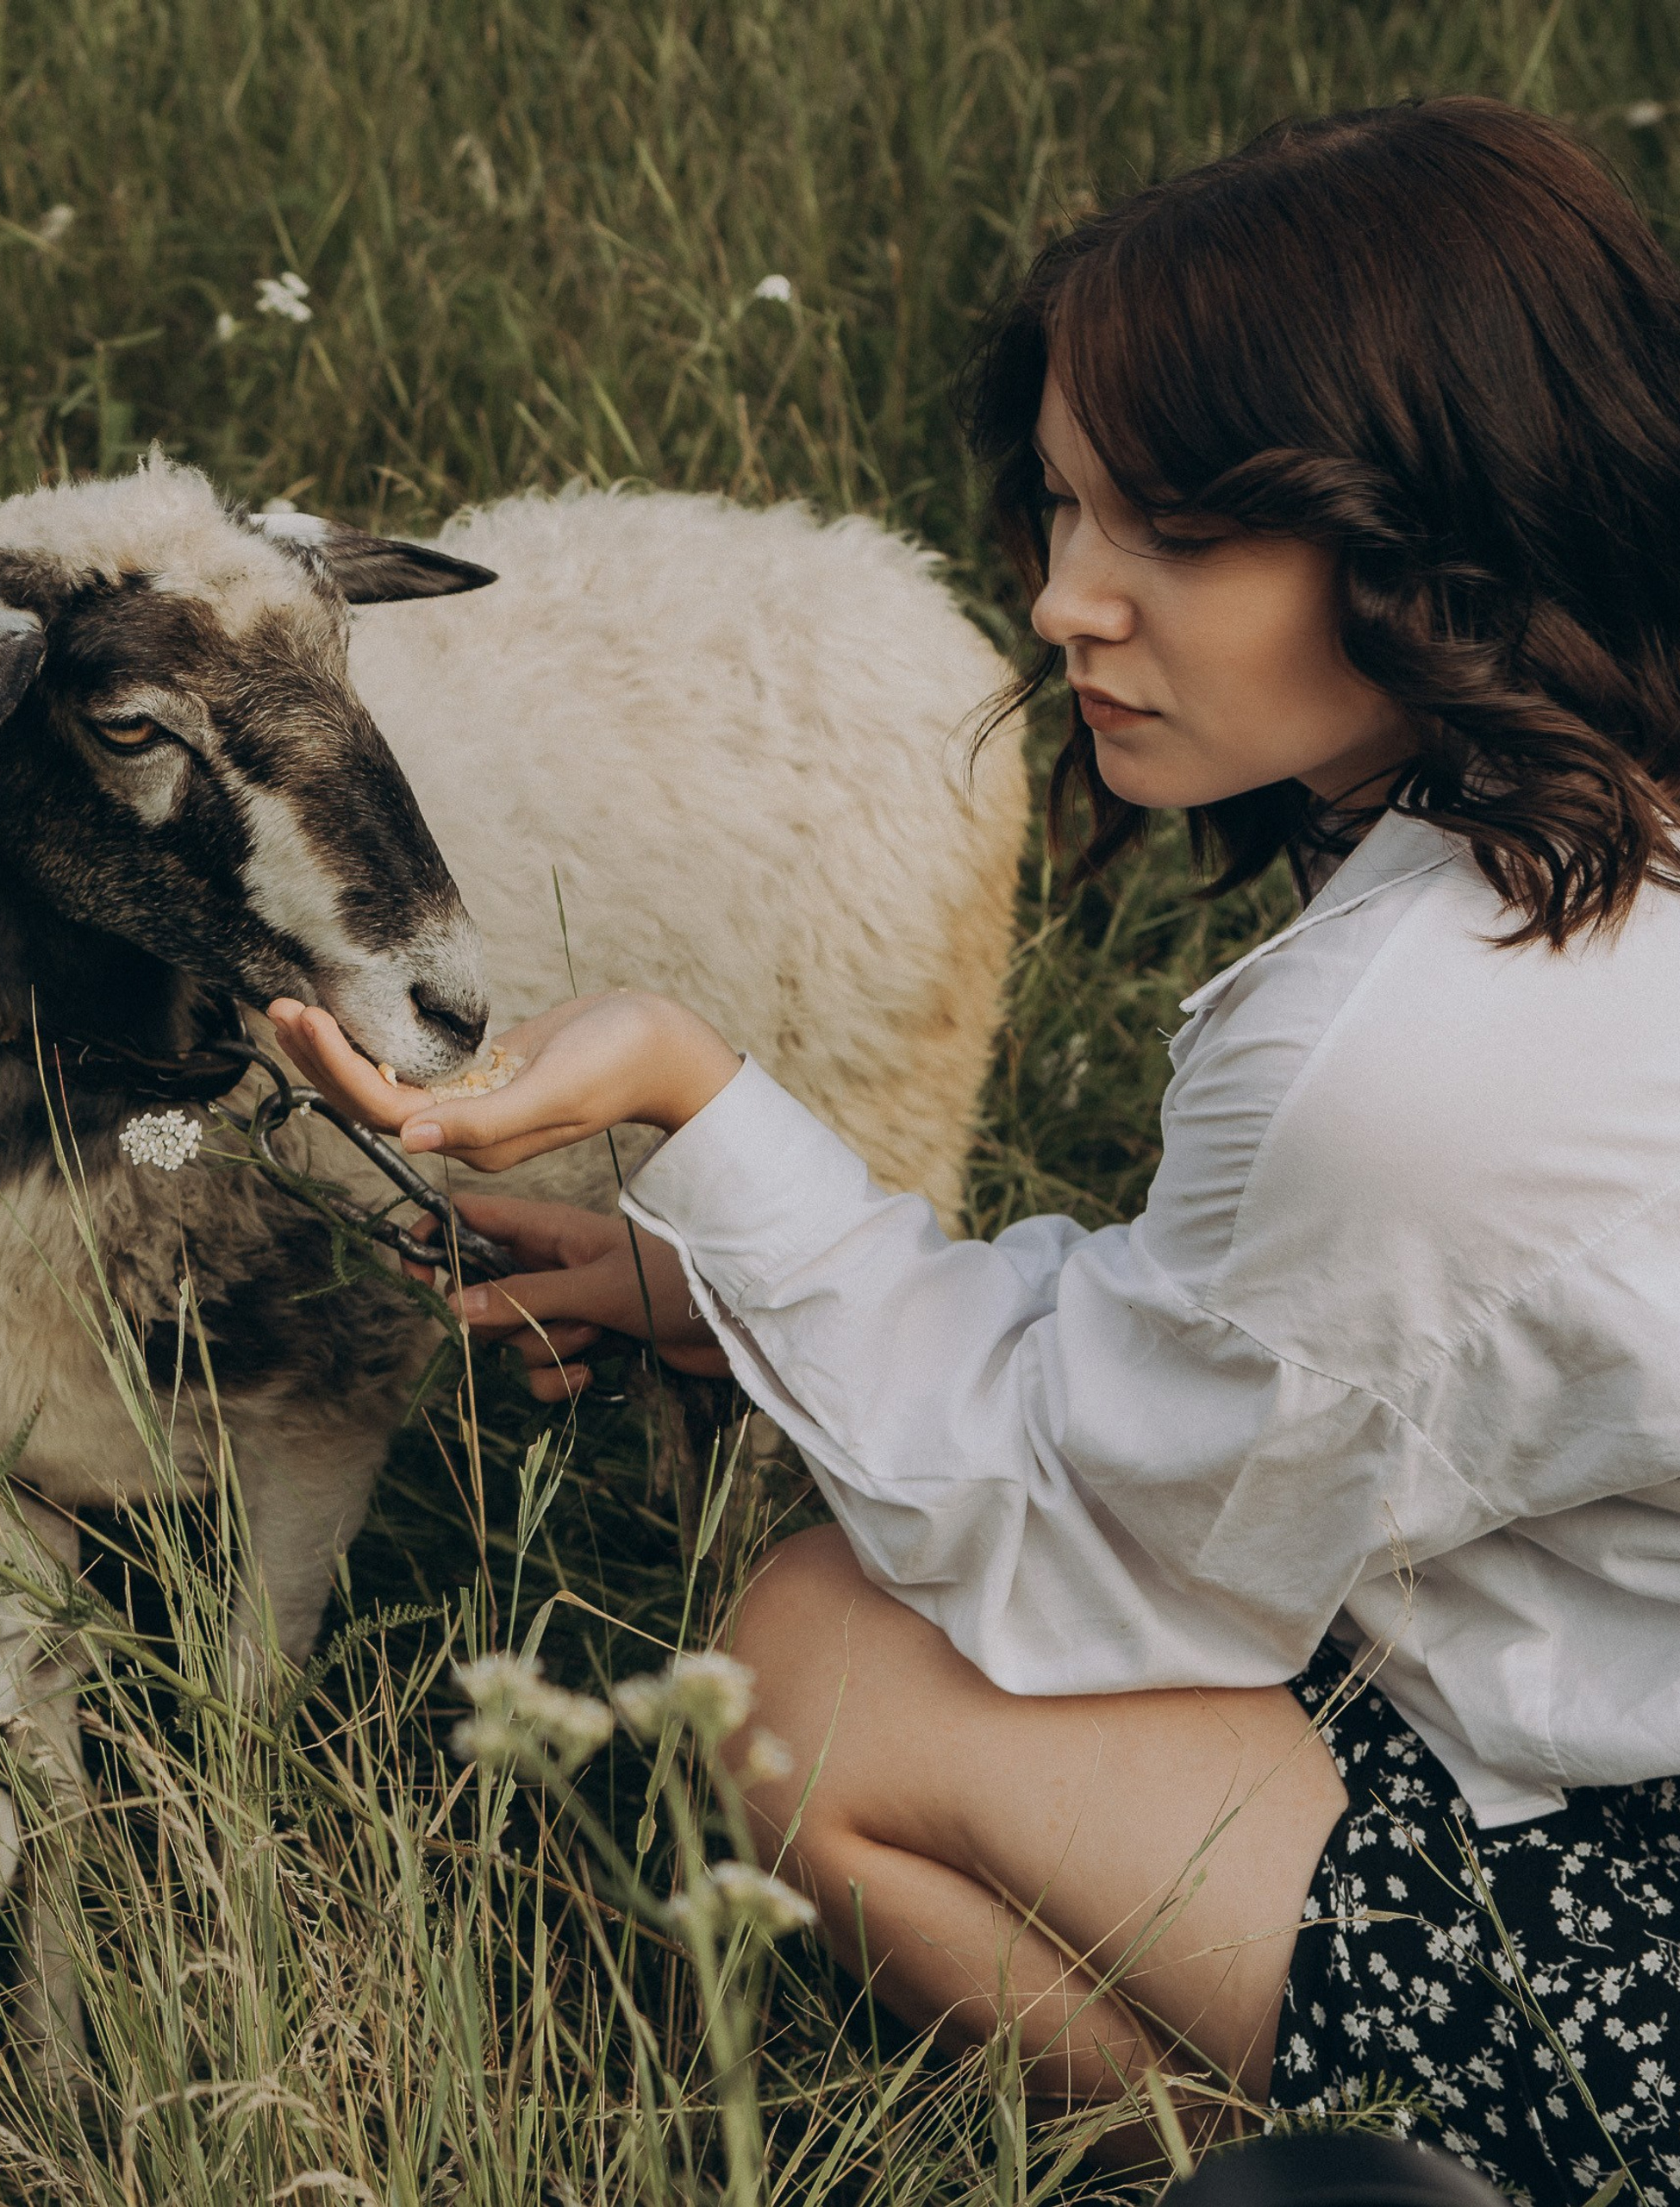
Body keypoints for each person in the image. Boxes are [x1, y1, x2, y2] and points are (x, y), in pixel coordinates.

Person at [272, 97, 1680, 2190]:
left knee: (809, 1678)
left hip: (1630, 1923)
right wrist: (719, 1289)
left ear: (1432, 527)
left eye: (1174, 536)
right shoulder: (1597, 834)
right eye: (1059, 510)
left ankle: (1328, 2171)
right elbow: (1266, 1349)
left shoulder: (1424, 1043)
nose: (1062, 604)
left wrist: (693, 1092)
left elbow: (1097, 1563)